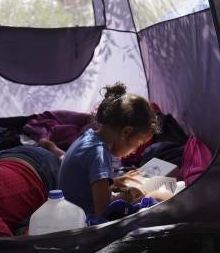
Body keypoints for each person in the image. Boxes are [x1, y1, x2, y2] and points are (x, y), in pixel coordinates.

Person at [55, 82, 165, 215]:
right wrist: (126, 197)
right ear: (126, 132)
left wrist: (115, 182)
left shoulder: (88, 138)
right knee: (162, 195)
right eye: (138, 143)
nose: (136, 150)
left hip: (69, 214)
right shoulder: (99, 154)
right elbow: (103, 212)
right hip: (84, 224)